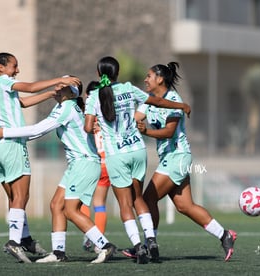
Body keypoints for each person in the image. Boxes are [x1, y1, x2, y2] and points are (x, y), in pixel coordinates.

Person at [0, 79, 117, 264]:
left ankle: (105, 246)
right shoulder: (62, 107)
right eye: (58, 84)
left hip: (85, 163)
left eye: (62, 85)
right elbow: (36, 132)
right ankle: (58, 253)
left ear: (72, 92)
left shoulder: (67, 107)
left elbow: (37, 129)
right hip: (77, 164)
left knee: (71, 211)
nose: (57, 87)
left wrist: (5, 133)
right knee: (56, 205)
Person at [84, 56, 191, 264]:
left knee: (125, 204)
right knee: (138, 199)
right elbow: (158, 101)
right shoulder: (128, 88)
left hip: (117, 155)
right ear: (117, 72)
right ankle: (151, 239)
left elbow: (88, 128)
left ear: (99, 73)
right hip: (137, 150)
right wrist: (182, 105)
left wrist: (96, 123)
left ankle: (138, 246)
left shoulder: (94, 96)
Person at [0, 52, 80, 263]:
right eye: (14, 66)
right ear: (1, 67)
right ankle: (14, 242)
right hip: (10, 144)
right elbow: (32, 87)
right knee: (21, 197)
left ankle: (24, 239)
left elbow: (22, 103)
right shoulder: (5, 81)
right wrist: (60, 80)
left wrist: (50, 94)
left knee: (14, 198)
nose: (17, 70)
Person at [132, 62, 237, 261]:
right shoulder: (149, 101)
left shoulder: (173, 99)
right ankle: (225, 235)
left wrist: (146, 131)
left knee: (147, 199)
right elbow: (133, 118)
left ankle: (147, 245)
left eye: (149, 76)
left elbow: (169, 132)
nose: (145, 80)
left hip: (178, 157)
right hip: (170, 158)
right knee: (185, 206)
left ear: (160, 79)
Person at [80, 81, 111, 253]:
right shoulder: (108, 111)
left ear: (87, 96)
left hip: (93, 161)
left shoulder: (87, 113)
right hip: (109, 162)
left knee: (82, 200)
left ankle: (89, 235)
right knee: (100, 204)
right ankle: (100, 243)